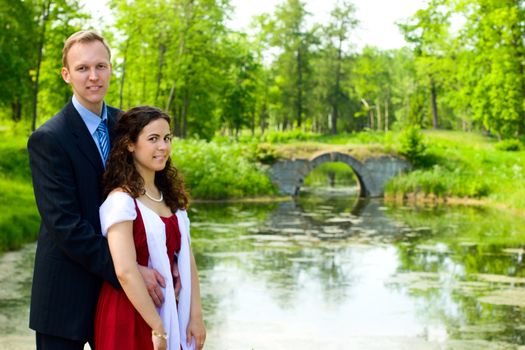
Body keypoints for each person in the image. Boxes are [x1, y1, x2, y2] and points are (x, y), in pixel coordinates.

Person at [27, 30, 167, 349]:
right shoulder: (49, 139)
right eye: (82, 68)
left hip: (124, 295)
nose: (93, 76)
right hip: (66, 296)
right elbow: (65, 225)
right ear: (66, 75)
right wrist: (126, 269)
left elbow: (149, 195)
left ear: (110, 69)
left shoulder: (128, 126)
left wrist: (168, 254)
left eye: (101, 66)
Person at [94, 106, 206, 350]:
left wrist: (195, 315)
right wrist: (157, 326)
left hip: (168, 308)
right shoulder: (121, 200)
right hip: (130, 311)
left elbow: (188, 261)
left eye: (166, 138)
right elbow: (124, 270)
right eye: (153, 139)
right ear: (130, 145)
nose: (163, 147)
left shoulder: (171, 198)